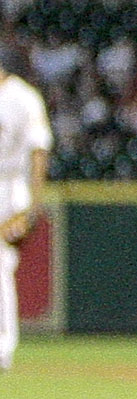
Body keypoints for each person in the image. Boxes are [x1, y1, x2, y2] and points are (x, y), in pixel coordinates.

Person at [0, 51, 47, 373]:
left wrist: (33, 204)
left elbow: (39, 148)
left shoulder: (22, 97)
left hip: (8, 187)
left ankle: (3, 348)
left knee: (0, 265)